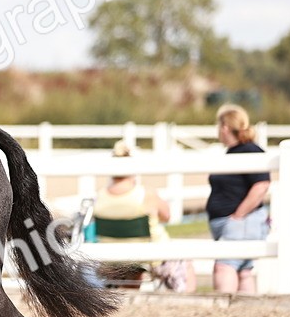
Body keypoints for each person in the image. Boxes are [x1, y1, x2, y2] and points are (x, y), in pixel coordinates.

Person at [93, 141, 196, 292]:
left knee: (131, 269)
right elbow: (166, 216)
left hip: (113, 259)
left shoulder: (99, 197)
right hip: (148, 256)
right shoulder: (145, 194)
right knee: (185, 261)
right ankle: (188, 299)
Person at [206, 104, 271, 293]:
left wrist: (238, 215)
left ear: (225, 127)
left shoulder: (250, 150)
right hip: (237, 224)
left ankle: (225, 308)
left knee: (224, 267)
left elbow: (261, 185)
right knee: (243, 271)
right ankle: (246, 309)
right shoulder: (234, 152)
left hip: (241, 223)